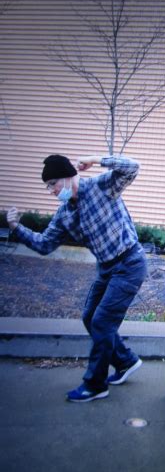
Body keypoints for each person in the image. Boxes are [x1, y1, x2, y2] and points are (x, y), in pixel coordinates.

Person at [7, 154, 147, 402]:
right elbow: (44, 244)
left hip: (129, 263)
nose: (51, 191)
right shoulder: (65, 214)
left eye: (53, 184)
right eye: (48, 187)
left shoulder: (101, 185)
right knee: (89, 317)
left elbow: (133, 167)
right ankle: (125, 361)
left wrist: (95, 159)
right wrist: (17, 228)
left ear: (68, 176)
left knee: (102, 322)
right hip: (106, 268)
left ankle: (95, 385)